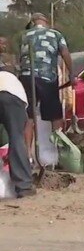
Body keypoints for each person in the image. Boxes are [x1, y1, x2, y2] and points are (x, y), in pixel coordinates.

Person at [18, 13, 74, 158]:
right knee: (55, 116)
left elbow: (21, 57)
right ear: (46, 22)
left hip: (25, 77)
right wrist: (71, 74)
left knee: (28, 117)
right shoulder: (55, 34)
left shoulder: (24, 35)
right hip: (47, 77)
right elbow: (65, 53)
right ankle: (59, 153)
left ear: (32, 22)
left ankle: (28, 157)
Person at [0, 68, 36, 198]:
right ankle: (23, 186)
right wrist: (27, 153)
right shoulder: (17, 86)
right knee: (16, 137)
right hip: (13, 98)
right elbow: (26, 129)